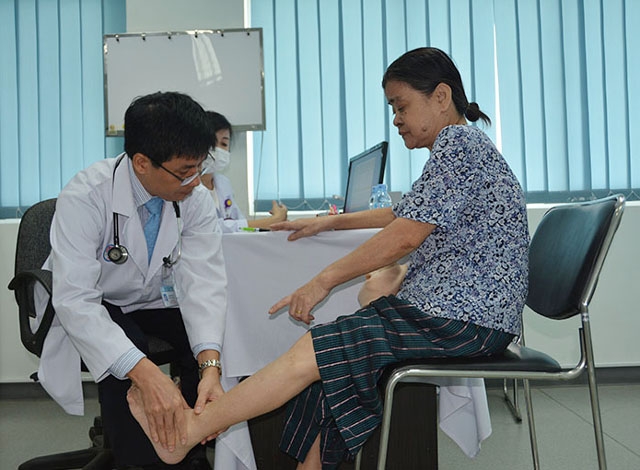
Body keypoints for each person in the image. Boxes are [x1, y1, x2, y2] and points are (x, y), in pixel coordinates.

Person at [127, 47, 529, 469]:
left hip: (464, 320)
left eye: (401, 106)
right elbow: (403, 213)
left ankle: (188, 433)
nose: (396, 119)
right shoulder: (461, 148)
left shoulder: (459, 144)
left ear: (441, 97)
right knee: (335, 363)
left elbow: (405, 235)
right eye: (393, 109)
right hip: (462, 316)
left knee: (315, 351)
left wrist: (324, 280)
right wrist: (329, 223)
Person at [38, 92, 227, 469]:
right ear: (142, 162)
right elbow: (76, 299)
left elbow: (203, 283)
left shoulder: (194, 199)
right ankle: (141, 462)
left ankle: (189, 449)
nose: (195, 180)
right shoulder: (86, 195)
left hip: (155, 299)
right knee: (126, 353)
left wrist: (210, 366)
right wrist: (146, 374)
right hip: (99, 302)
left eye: (200, 167)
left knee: (210, 343)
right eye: (185, 171)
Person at [199, 111, 288, 232]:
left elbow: (241, 225)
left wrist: (272, 225)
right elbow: (211, 228)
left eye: (224, 144)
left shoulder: (223, 183)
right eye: (212, 143)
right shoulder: (188, 186)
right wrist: (272, 221)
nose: (218, 149)